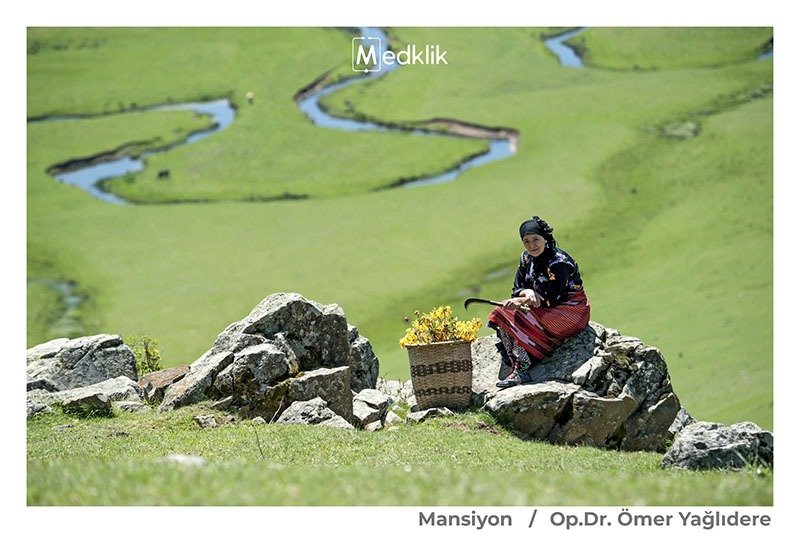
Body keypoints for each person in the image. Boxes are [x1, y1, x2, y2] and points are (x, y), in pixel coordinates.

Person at [487, 216, 590, 388]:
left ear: (545, 238)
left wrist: (522, 301)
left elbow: (552, 299)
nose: (531, 245)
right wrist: (526, 292)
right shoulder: (526, 259)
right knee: (499, 313)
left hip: (570, 312)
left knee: (515, 316)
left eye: (536, 239)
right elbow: (517, 287)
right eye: (526, 241)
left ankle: (523, 367)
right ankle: (516, 358)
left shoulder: (558, 263)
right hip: (544, 308)